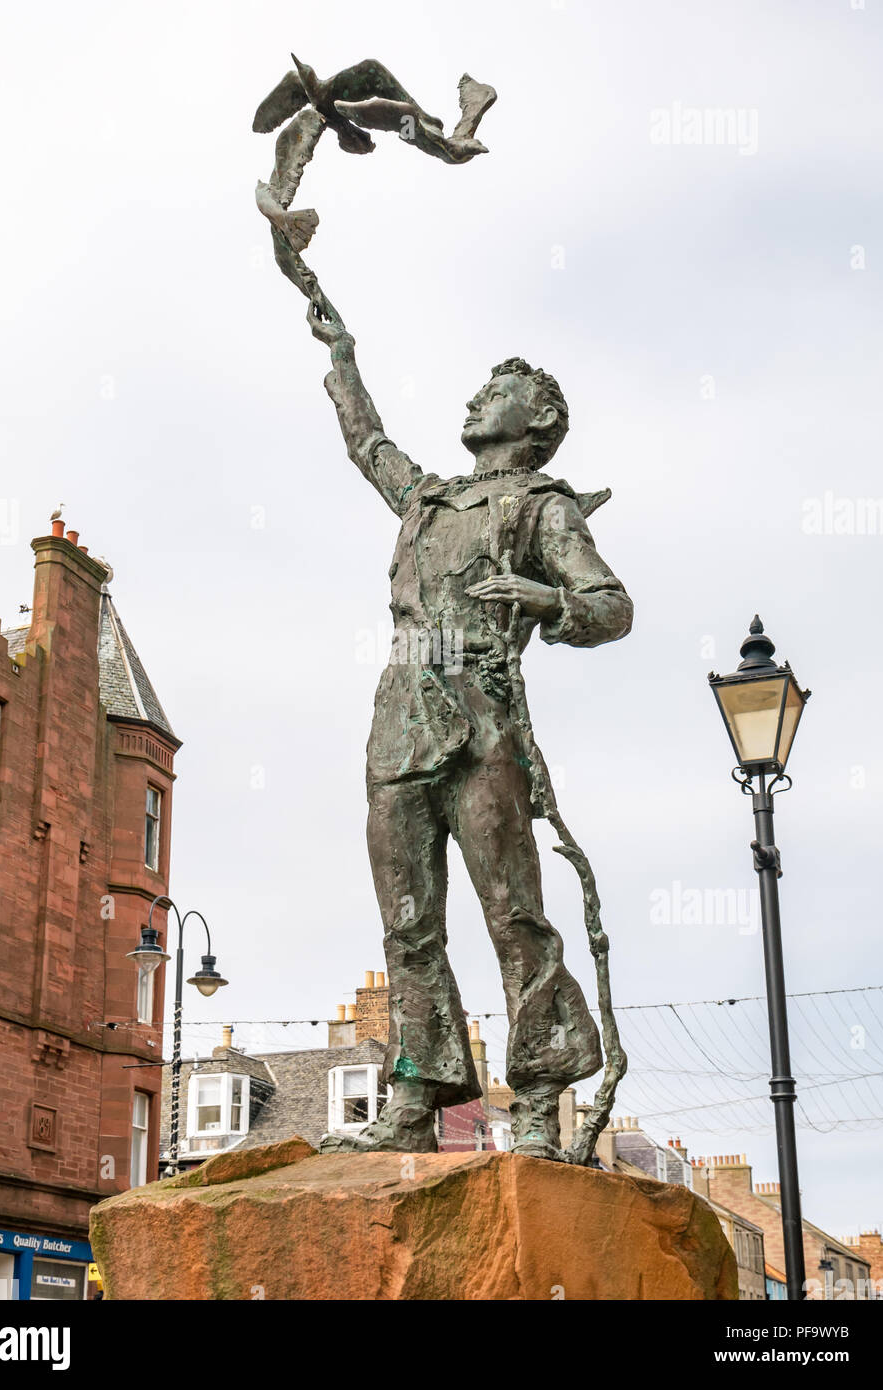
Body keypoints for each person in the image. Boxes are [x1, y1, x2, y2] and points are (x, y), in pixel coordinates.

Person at [310, 303, 633, 1159]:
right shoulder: (428, 495)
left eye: (500, 390)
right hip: (400, 715)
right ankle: (416, 1098)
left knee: (514, 914)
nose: (477, 398)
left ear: (539, 422)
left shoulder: (543, 507)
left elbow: (612, 607)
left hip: (484, 718)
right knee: (407, 923)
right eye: (484, 385)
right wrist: (342, 354)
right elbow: (366, 442)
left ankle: (535, 1099)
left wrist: (547, 600)